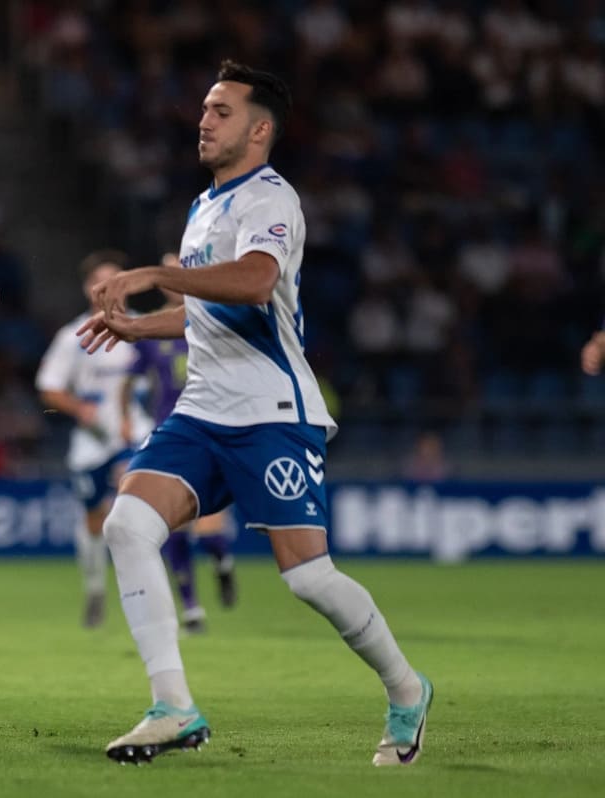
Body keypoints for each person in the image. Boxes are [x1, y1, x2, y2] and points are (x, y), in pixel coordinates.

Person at [77, 60, 431, 766]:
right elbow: (207, 309)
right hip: (203, 409)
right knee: (126, 525)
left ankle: (406, 688)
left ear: (259, 128)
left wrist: (155, 273)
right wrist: (141, 325)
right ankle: (173, 706)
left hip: (271, 410)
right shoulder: (204, 206)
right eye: (204, 109)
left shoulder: (271, 199)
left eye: (221, 110)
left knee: (307, 577)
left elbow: (256, 281)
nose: (204, 120)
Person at [120, 253, 237, 635]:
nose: (172, 282)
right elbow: (130, 379)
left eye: (179, 273)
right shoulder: (154, 332)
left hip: (213, 429)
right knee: (174, 527)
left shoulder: (215, 320)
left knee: (210, 529)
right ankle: (191, 608)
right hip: (171, 431)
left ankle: (221, 562)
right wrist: (125, 417)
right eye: (166, 275)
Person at [36, 250, 153, 628]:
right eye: (102, 281)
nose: (109, 289)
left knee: (134, 507)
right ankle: (95, 589)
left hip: (135, 431)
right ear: (89, 288)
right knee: (93, 518)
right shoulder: (72, 336)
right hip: (91, 440)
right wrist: (77, 408)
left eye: (118, 280)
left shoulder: (147, 327)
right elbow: (49, 388)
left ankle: (143, 592)